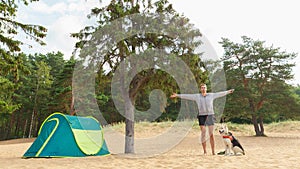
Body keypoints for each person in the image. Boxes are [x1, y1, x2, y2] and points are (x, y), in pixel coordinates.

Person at [170, 83, 234, 155]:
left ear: (206, 89)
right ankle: (205, 151)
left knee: (211, 134)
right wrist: (177, 95)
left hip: (210, 115)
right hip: (201, 116)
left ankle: (213, 151)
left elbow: (219, 94)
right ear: (200, 89)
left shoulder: (211, 95)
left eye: (204, 87)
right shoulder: (197, 96)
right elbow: (188, 96)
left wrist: (228, 91)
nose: (203, 89)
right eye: (202, 88)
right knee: (203, 133)